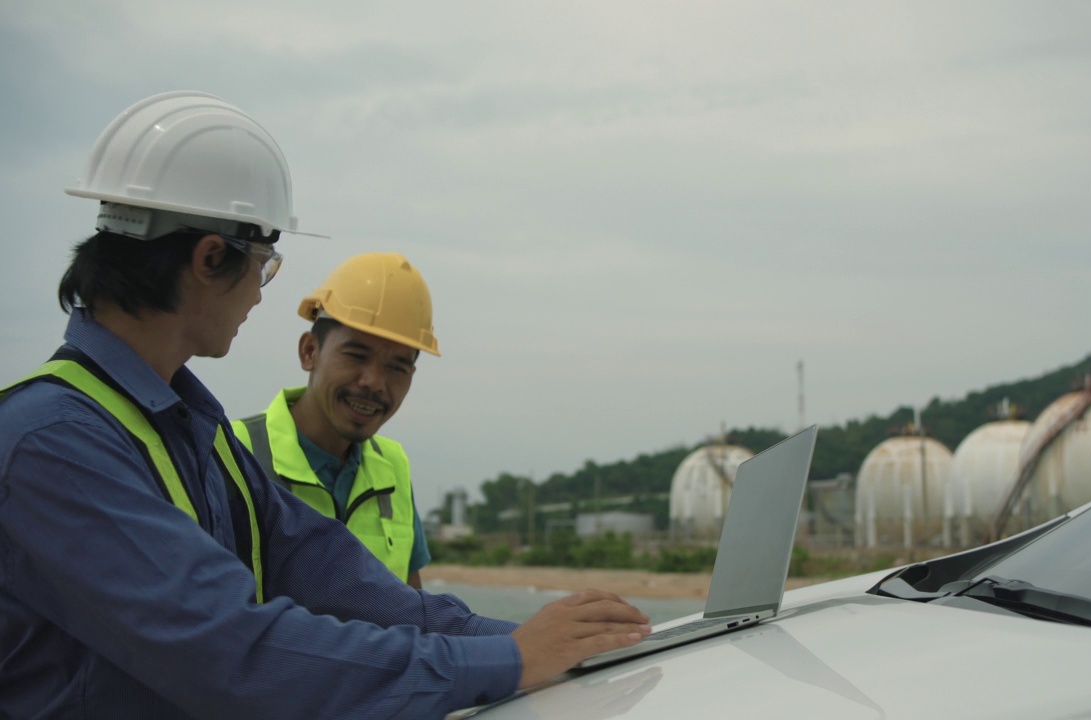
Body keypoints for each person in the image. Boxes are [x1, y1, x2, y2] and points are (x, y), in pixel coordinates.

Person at [0, 91, 649, 719]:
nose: (260, 292)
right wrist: (505, 663)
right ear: (209, 257)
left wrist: (537, 641)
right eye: (266, 263)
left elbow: (332, 577)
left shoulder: (198, 432)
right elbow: (235, 652)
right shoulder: (50, 442)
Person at [233, 252, 438, 588]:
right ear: (309, 351)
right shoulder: (233, 452)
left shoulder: (392, 467)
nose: (374, 382)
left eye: (397, 367)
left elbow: (416, 615)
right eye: (356, 355)